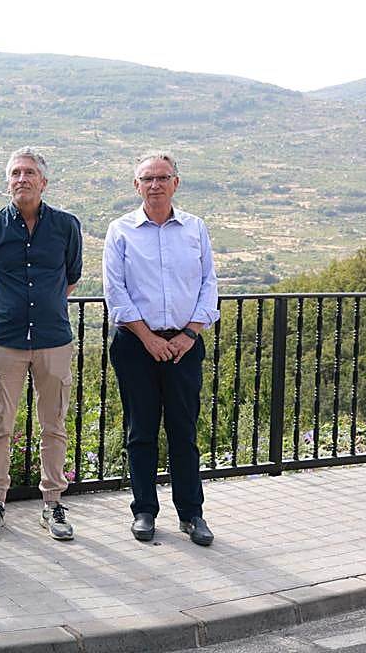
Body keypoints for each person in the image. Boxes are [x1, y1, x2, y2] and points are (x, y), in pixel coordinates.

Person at [103, 151, 219, 547]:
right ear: (136, 185)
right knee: (141, 431)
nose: (155, 184)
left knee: (184, 430)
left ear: (176, 182)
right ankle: (144, 511)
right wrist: (148, 338)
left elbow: (208, 285)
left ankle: (192, 514)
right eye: (147, 179)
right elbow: (115, 292)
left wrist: (189, 334)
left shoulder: (195, 228)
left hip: (186, 343)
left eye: (162, 177)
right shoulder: (120, 230)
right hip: (136, 345)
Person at [0, 148, 82, 541]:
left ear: (44, 182)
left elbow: (71, 278)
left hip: (54, 339)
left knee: (54, 427)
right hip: (7, 340)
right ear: (7, 182)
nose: (22, 179)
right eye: (15, 173)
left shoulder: (66, 226)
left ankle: (52, 504)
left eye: (30, 172)